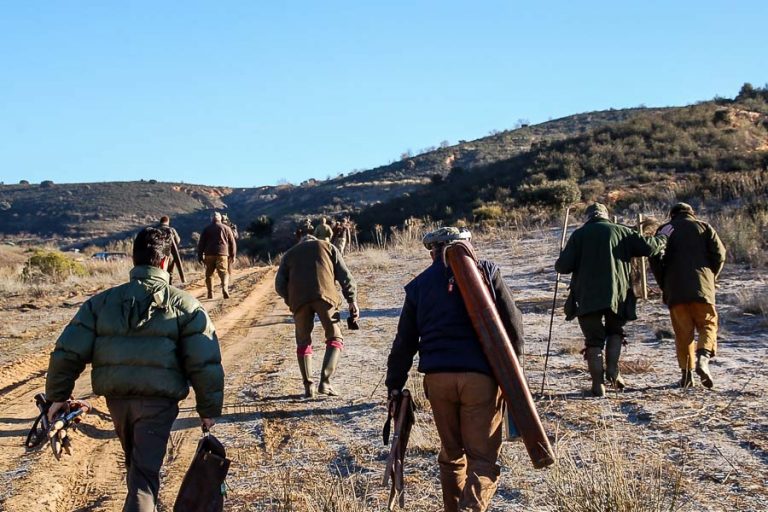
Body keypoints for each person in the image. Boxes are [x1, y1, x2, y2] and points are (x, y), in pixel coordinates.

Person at [45, 226, 224, 512]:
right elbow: (205, 363)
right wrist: (208, 410)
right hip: (158, 403)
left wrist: (57, 396)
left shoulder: (100, 303)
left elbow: (67, 352)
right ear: (166, 262)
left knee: (137, 468)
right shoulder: (186, 306)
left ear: (133, 259)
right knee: (143, 478)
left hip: (117, 399)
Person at [386, 227, 524, 512]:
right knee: (483, 459)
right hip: (481, 380)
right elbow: (514, 326)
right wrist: (515, 375)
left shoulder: (420, 284)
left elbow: (404, 341)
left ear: (433, 251)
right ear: (467, 245)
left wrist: (394, 384)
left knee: (451, 456)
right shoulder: (486, 272)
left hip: (438, 381)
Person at [555, 203, 670, 397]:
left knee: (593, 340)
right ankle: (613, 370)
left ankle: (597, 384)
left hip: (587, 297)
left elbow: (562, 267)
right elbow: (650, 248)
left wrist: (561, 256)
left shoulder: (579, 235)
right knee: (615, 331)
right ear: (606, 216)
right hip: (618, 295)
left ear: (588, 217)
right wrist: (663, 237)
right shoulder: (622, 231)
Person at [650, 202, 726, 388]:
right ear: (692, 213)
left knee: (683, 334)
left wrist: (664, 284)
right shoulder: (704, 227)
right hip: (703, 289)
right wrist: (710, 276)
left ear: (672, 215)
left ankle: (687, 376)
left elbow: (654, 257)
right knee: (708, 325)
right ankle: (703, 358)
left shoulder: (665, 229)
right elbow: (720, 254)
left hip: (675, 289)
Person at [275, 229, 359, 398]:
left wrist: (291, 299)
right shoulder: (328, 247)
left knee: (303, 342)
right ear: (314, 239)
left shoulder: (289, 255)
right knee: (335, 338)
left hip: (299, 301)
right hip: (325, 297)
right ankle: (325, 383)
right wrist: (352, 300)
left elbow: (279, 285)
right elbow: (345, 277)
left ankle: (308, 387)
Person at [197, 212, 237, 299]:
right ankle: (225, 288)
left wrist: (200, 256)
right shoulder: (226, 228)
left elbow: (201, 244)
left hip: (209, 254)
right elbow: (232, 242)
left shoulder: (206, 229)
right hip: (222, 254)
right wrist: (233, 255)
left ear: (211, 219)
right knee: (223, 272)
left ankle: (210, 293)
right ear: (220, 219)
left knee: (209, 274)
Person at [155, 215, 181, 284]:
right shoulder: (171, 230)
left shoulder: (155, 230)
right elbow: (177, 241)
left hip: (156, 256)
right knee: (169, 274)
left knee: (157, 274)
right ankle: (168, 288)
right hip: (168, 255)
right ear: (168, 222)